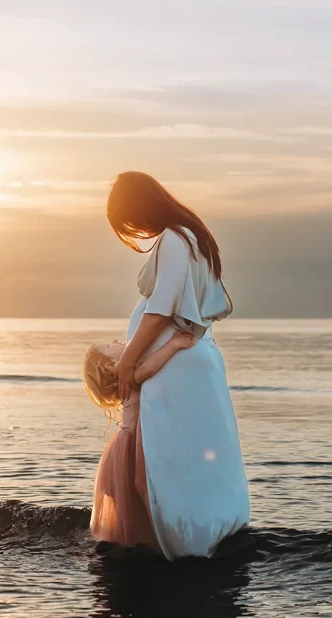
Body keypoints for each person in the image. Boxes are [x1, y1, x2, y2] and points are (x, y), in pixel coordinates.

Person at [106, 171, 250, 559]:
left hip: (174, 370)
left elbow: (161, 308)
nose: (136, 231)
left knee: (162, 466)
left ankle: (179, 547)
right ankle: (209, 535)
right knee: (196, 460)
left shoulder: (174, 238)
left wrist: (128, 360)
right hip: (194, 360)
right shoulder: (195, 237)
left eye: (129, 221)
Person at [83, 331, 196, 548]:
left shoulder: (127, 369)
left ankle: (148, 537)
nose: (115, 341)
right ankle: (160, 536)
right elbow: (147, 369)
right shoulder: (126, 373)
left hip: (133, 439)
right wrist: (175, 344)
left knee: (138, 495)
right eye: (109, 346)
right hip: (133, 441)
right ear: (112, 365)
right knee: (142, 486)